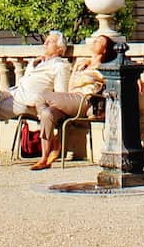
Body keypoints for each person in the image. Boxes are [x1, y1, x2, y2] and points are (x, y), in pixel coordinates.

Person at [0, 30, 71, 167]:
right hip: (16, 93)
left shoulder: (61, 66)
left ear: (60, 49)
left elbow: (61, 94)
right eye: (46, 40)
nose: (45, 43)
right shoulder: (37, 62)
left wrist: (45, 108)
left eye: (50, 42)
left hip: (30, 102)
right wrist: (35, 64)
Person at [31, 34, 114, 170]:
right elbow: (70, 84)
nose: (94, 41)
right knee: (47, 113)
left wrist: (137, 80)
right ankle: (45, 157)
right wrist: (80, 67)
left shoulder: (103, 67)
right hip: (71, 99)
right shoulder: (82, 64)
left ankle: (55, 143)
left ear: (105, 50)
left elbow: (116, 79)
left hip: (84, 100)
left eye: (99, 41)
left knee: (41, 96)